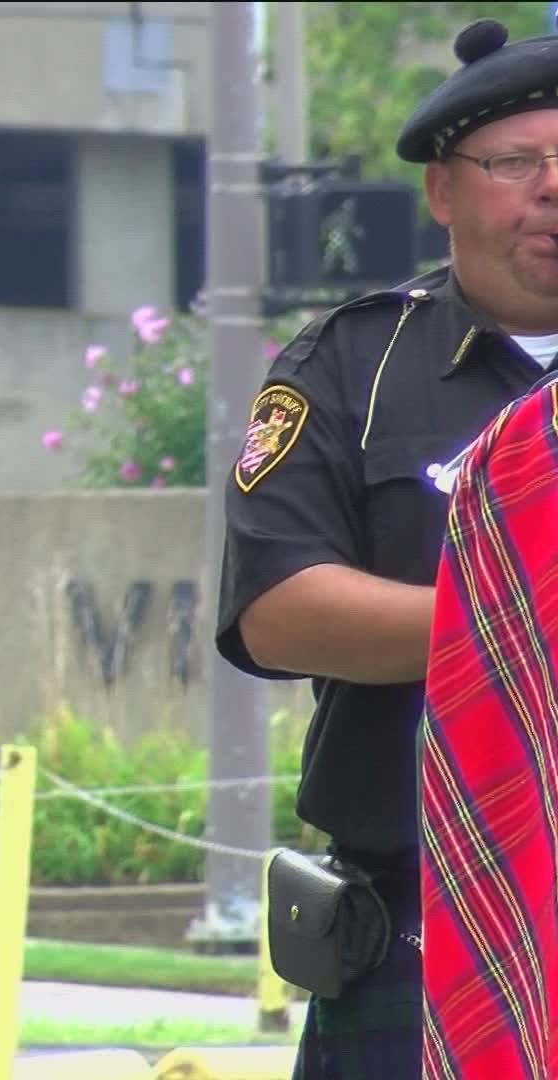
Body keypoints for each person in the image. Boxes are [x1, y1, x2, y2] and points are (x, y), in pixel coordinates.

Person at [214, 17, 558, 1080]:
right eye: (517, 162)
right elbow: (278, 610)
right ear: (443, 191)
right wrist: (522, 621)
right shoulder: (353, 368)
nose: (554, 188)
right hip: (421, 928)